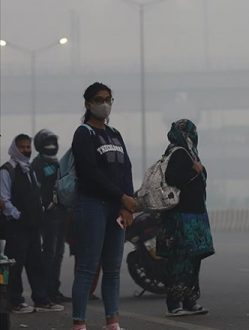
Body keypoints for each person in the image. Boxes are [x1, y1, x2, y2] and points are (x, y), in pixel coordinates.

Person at [70, 82, 137, 330]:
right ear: (88, 104)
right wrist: (121, 197)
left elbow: (126, 169)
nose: (105, 104)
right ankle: (79, 323)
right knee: (87, 268)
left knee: (113, 269)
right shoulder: (84, 133)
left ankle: (113, 321)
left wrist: (128, 205)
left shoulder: (115, 134)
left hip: (116, 209)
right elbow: (90, 172)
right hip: (91, 206)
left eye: (109, 99)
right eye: (99, 99)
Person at [0, 134, 64, 313]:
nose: (26, 150)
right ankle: (15, 301)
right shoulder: (7, 170)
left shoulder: (29, 170)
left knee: (36, 264)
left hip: (33, 226)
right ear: (14, 148)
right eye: (22, 147)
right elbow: (4, 199)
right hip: (16, 226)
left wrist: (39, 212)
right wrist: (17, 215)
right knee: (15, 266)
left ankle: (41, 300)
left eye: (28, 147)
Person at [158, 119, 214, 317]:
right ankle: (174, 303)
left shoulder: (190, 153)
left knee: (193, 259)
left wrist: (199, 169)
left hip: (195, 214)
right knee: (179, 260)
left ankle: (190, 300)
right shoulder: (178, 152)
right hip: (182, 216)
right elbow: (173, 178)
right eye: (191, 133)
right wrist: (195, 170)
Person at [31, 129, 72, 304]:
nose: (51, 146)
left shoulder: (57, 163)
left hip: (61, 213)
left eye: (53, 143)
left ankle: (54, 290)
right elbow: (36, 190)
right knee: (49, 253)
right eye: (47, 143)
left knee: (59, 254)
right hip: (48, 216)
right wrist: (46, 206)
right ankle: (45, 292)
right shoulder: (37, 164)